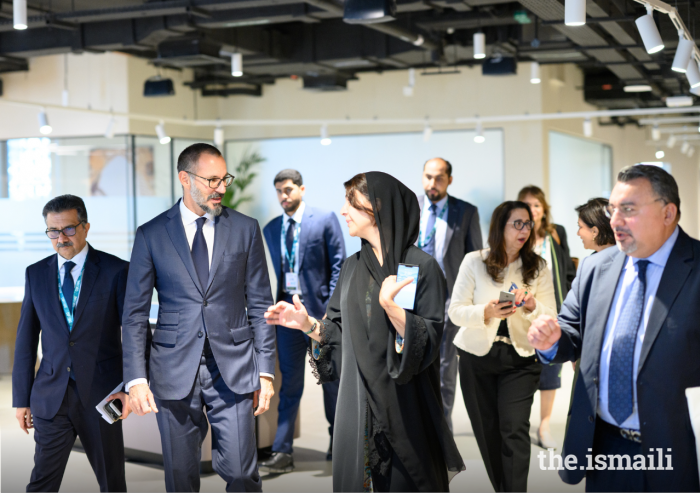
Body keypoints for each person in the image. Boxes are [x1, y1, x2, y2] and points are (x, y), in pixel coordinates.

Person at [264, 172, 464, 491]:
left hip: (404, 407)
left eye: (351, 203)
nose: (343, 211)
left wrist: (391, 306)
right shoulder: (352, 267)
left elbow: (426, 344)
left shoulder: (421, 267)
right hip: (357, 407)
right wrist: (306, 324)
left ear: (377, 208)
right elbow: (337, 332)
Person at [528, 165, 700, 492]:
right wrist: (552, 340)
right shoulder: (595, 267)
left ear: (668, 213)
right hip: (603, 447)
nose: (615, 221)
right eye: (612, 209)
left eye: (628, 210)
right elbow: (571, 335)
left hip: (676, 450)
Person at [122, 143, 276, 492]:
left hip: (234, 368)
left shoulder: (245, 228)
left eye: (225, 179)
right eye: (212, 180)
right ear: (184, 178)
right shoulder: (151, 234)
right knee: (181, 478)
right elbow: (134, 314)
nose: (221, 188)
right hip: (172, 369)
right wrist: (135, 378)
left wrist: (265, 371)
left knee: (240, 473)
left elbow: (260, 306)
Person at [13, 194, 131, 492]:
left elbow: (135, 334)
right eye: (53, 231)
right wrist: (21, 399)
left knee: (112, 481)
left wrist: (131, 389)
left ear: (85, 227)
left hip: (104, 396)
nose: (60, 237)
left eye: (68, 229)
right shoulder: (36, 273)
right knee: (42, 481)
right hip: (51, 396)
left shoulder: (116, 270)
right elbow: (26, 340)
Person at [448, 200, 556, 492]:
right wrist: (486, 311)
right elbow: (455, 311)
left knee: (515, 430)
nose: (524, 230)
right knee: (488, 434)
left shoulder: (538, 267)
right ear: (500, 226)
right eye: (517, 223)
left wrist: (533, 305)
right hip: (476, 356)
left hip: (521, 359)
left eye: (528, 224)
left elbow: (552, 317)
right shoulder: (474, 261)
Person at [260, 169, 345, 472]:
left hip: (321, 319)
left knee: (331, 383)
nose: (284, 196)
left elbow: (339, 266)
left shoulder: (324, 219)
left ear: (301, 189)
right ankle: (283, 451)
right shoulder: (271, 229)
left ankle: (340, 442)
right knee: (290, 384)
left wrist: (329, 314)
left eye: (288, 189)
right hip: (287, 321)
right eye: (279, 192)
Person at [417, 157, 482, 431]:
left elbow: (476, 259)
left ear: (449, 180)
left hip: (449, 298)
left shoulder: (465, 212)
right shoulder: (412, 208)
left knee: (446, 365)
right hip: (414, 298)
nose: (433, 183)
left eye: (439, 178)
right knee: (415, 359)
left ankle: (442, 426)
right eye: (428, 177)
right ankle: (417, 423)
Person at [517, 185, 576, 450]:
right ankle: (519, 423)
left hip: (553, 309)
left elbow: (566, 270)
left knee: (551, 369)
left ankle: (544, 426)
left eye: (537, 205)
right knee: (524, 367)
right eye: (527, 205)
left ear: (544, 209)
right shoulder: (516, 234)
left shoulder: (557, 233)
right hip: (522, 310)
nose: (532, 210)